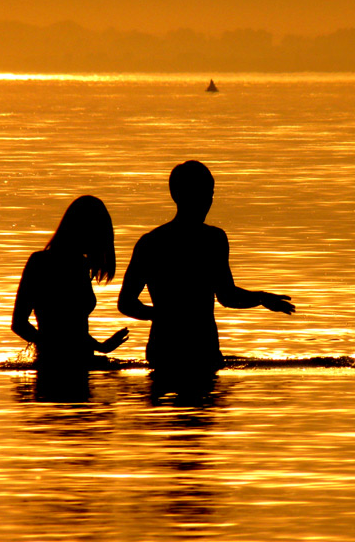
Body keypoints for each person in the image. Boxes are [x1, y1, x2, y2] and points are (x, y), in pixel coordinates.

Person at [118, 161, 294, 386]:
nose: (208, 201)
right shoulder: (154, 243)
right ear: (179, 195)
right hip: (171, 348)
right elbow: (126, 301)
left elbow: (227, 295)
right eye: (202, 194)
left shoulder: (209, 240)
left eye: (210, 194)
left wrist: (261, 298)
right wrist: (161, 315)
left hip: (201, 348)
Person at [12, 195, 129, 374]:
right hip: (55, 367)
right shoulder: (41, 263)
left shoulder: (79, 265)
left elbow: (70, 329)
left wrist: (99, 346)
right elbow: (19, 323)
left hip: (78, 364)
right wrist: (55, 349)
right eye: (97, 233)